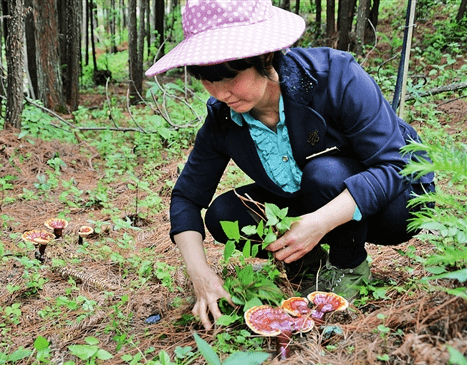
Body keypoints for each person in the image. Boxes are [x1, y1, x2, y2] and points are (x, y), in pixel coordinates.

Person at [145, 0, 435, 331]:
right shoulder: (223, 118)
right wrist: (200, 274)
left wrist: (319, 223)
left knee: (325, 174)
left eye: (230, 77)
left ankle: (347, 266)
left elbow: (395, 165)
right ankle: (307, 265)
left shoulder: (334, 76)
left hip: (395, 201)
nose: (221, 93)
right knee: (223, 215)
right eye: (207, 80)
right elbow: (186, 198)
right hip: (312, 193)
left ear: (264, 56)